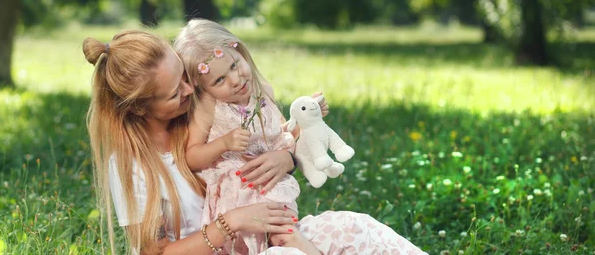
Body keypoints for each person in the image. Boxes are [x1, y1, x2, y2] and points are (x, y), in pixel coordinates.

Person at [83, 29, 426, 254]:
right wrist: (230, 223)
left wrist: (288, 159)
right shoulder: (133, 167)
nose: (190, 91)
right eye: (176, 92)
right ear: (141, 108)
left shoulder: (206, 115)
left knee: (353, 227)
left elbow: (272, 138)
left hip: (262, 243)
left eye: (187, 79)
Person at [173, 19, 321, 254]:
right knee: (276, 240)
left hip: (270, 187)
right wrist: (223, 144)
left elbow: (282, 136)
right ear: (202, 88)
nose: (235, 80)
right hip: (238, 198)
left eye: (234, 65)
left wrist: (306, 121)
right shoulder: (208, 107)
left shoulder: (264, 91)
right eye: (219, 80)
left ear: (240, 51)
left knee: (287, 237)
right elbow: (191, 157)